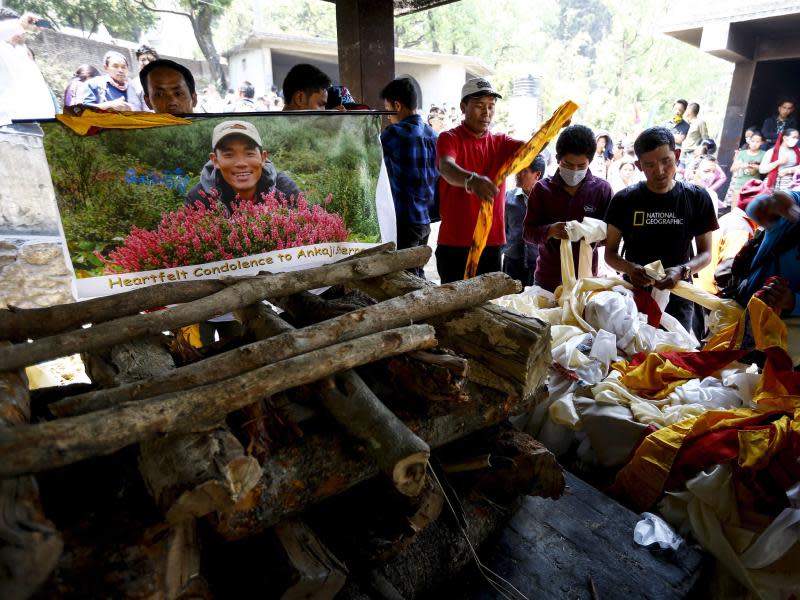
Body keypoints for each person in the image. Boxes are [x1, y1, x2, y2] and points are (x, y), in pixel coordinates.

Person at [604, 127, 718, 332]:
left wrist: (683, 271)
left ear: (677, 156)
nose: (660, 171)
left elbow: (706, 253)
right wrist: (630, 269)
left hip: (680, 294)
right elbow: (610, 254)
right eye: (650, 164)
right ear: (639, 165)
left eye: (666, 161)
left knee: (674, 355)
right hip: (634, 295)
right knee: (633, 357)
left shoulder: (697, 197)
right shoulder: (624, 200)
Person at [435, 77, 522, 283]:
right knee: (453, 309)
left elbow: (531, 149)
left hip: (490, 243)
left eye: (491, 107)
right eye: (479, 106)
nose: (487, 113)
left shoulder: (501, 142)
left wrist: (553, 128)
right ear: (463, 106)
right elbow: (446, 167)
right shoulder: (449, 138)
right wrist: (472, 180)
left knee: (488, 306)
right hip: (455, 243)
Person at [523, 124, 613, 292]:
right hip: (548, 279)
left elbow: (611, 236)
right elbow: (528, 232)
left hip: (585, 281)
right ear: (558, 159)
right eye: (568, 164)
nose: (574, 170)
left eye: (581, 166)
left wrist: (588, 233)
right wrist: (550, 230)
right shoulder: (542, 189)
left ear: (590, 161)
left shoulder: (602, 190)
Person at [379, 78, 438, 278]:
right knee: (417, 273)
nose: (388, 117)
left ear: (398, 105)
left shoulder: (394, 134)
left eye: (387, 110)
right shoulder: (433, 135)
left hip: (403, 221)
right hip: (425, 221)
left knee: (403, 278)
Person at [185, 120, 300, 210]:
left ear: (263, 157)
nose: (241, 163)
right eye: (229, 155)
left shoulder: (285, 188)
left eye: (249, 154)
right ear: (215, 161)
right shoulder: (199, 198)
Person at [696, 179, 764, 295]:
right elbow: (726, 271)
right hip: (709, 294)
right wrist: (729, 299)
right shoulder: (740, 229)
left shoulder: (730, 218)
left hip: (700, 288)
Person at [0, 8, 56, 121]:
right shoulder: (3, 51)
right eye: (13, 29)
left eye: (22, 30)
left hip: (34, 129)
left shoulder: (23, 54)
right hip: (8, 127)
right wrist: (19, 23)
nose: (20, 33)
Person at [503, 155, 545, 286]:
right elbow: (503, 229)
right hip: (511, 262)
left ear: (537, 175)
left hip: (537, 263)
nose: (517, 174)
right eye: (517, 169)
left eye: (523, 171)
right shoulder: (508, 197)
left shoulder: (546, 200)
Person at [729, 130, 766, 204]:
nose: (754, 144)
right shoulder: (742, 153)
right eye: (752, 141)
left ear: (762, 143)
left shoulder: (764, 154)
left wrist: (757, 167)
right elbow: (732, 169)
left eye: (757, 142)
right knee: (735, 207)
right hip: (739, 183)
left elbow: (765, 169)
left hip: (753, 186)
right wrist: (742, 165)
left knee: (748, 209)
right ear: (749, 141)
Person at [129, 44, 158, 112]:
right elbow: (135, 111)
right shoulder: (133, 85)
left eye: (151, 60)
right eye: (143, 60)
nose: (147, 63)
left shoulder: (166, 81)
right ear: (138, 62)